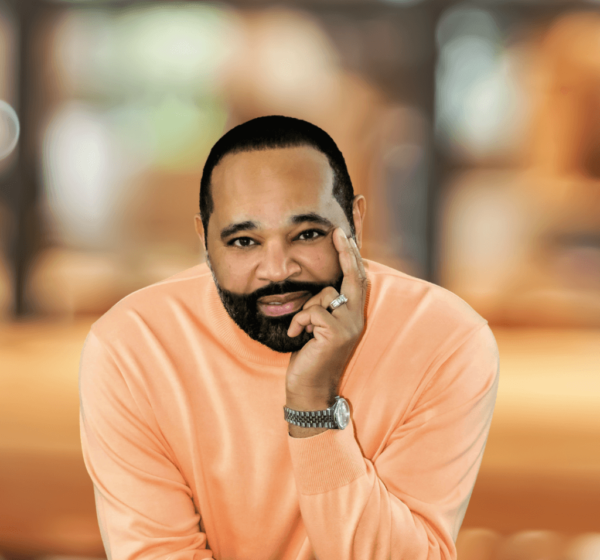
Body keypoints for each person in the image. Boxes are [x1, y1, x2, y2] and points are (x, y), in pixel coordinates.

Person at [79, 115, 499, 560]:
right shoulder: (132, 347)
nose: (278, 270)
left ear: (355, 220)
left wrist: (313, 406)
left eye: (308, 234)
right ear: (204, 239)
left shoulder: (444, 340)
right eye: (244, 241)